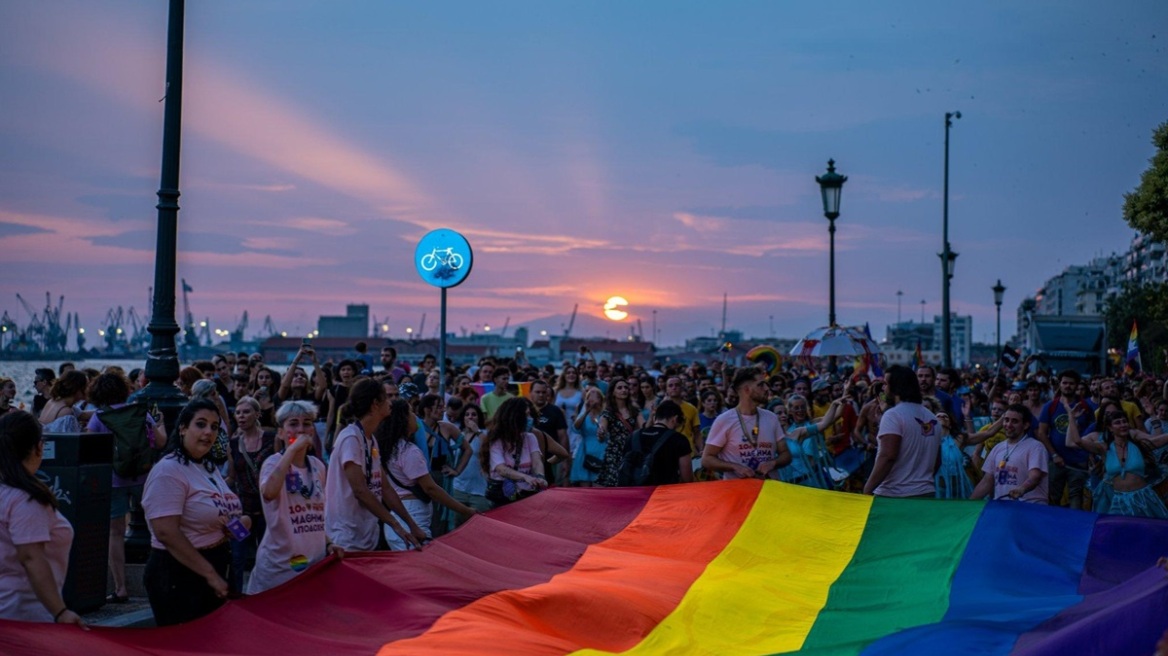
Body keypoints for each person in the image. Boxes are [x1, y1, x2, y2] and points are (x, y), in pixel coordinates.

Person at [142, 399, 248, 626]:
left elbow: (223, 515)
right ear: (182, 428)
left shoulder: (207, 467)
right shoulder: (169, 470)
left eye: (214, 427)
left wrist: (241, 526)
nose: (208, 432)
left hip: (217, 563)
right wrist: (209, 574)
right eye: (200, 424)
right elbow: (165, 532)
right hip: (179, 573)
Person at [85, 372, 166, 604]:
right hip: (144, 477)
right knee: (158, 528)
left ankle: (121, 587)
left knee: (115, 534)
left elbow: (92, 450)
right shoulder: (139, 413)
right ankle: (161, 579)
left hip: (114, 480)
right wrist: (159, 423)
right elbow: (160, 442)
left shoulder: (99, 417)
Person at [247, 401, 341, 594]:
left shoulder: (318, 466)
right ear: (281, 432)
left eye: (307, 423)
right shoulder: (272, 463)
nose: (301, 429)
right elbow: (269, 493)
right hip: (279, 569)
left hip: (313, 566)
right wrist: (291, 451)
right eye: (293, 424)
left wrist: (329, 542)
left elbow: (315, 513)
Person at [0, 412, 84, 626]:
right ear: (39, 447)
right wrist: (60, 612)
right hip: (25, 610)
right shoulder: (25, 499)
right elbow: (31, 557)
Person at [324, 379, 424, 552]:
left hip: (366, 535)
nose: (390, 402)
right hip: (346, 537)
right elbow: (360, 491)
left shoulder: (371, 439)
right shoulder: (351, 438)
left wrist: (411, 525)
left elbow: (385, 489)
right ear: (375, 404)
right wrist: (396, 525)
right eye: (386, 398)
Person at [376, 400, 475, 550]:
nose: (414, 416)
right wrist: (465, 510)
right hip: (413, 519)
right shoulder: (409, 451)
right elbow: (430, 489)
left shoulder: (388, 449)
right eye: (410, 412)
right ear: (402, 419)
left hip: (397, 518)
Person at [1066, 406, 1168, 518]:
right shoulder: (1104, 449)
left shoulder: (1140, 445)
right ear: (1110, 428)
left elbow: (1161, 439)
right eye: (1118, 423)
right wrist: (1071, 416)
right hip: (1119, 501)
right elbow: (1077, 441)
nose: (1123, 425)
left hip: (1144, 499)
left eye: (1125, 422)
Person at [863, 365, 942, 498]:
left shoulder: (893, 415)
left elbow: (888, 456)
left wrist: (867, 489)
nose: (883, 388)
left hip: (894, 496)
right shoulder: (931, 418)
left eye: (886, 384)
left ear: (896, 386)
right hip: (926, 494)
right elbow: (937, 460)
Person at [702, 368, 793, 480]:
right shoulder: (724, 420)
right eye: (761, 385)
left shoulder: (771, 418)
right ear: (747, 389)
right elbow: (707, 459)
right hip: (737, 492)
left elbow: (786, 455)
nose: (766, 388)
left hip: (768, 489)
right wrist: (735, 467)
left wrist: (773, 463)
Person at [225, 396, 275, 594]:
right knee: (236, 556)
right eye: (238, 412)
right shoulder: (233, 443)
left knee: (266, 555)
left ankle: (266, 595)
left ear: (257, 414)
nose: (241, 416)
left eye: (246, 412)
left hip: (266, 509)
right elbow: (231, 476)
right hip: (241, 509)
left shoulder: (272, 439)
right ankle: (235, 597)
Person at [1036, 369, 1095, 509]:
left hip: (1078, 464)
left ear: (1077, 385)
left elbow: (1093, 434)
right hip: (1056, 462)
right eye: (1065, 383)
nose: (1068, 386)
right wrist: (1054, 454)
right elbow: (1042, 433)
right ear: (1060, 384)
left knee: (1076, 501)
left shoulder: (1085, 407)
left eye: (1071, 383)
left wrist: (1090, 456)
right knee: (1053, 500)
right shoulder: (1050, 406)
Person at [970, 404, 1048, 503]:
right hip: (1005, 509)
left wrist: (1022, 489)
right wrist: (969, 504)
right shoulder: (998, 448)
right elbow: (987, 482)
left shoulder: (1036, 447)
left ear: (1026, 425)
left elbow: (1035, 476)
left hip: (1030, 507)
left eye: (1014, 421)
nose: (1009, 425)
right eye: (1006, 420)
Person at [482, 397, 549, 507]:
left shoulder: (530, 438)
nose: (530, 418)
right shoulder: (497, 441)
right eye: (526, 415)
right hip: (502, 499)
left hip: (526, 496)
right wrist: (525, 477)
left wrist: (540, 477)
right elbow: (501, 469)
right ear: (516, 418)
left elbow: (537, 462)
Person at [623, 400, 694, 485]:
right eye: (677, 427)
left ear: (655, 417)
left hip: (634, 493)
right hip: (663, 493)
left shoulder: (633, 436)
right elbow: (687, 478)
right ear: (675, 419)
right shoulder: (679, 439)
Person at [596, 378, 644, 487]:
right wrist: (601, 432)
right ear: (613, 392)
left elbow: (644, 427)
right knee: (614, 487)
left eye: (626, 387)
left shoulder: (634, 410)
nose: (624, 390)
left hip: (631, 453)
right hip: (614, 454)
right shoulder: (608, 412)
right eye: (620, 388)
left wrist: (652, 417)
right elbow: (601, 431)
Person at [449, 403, 491, 523]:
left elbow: (488, 447)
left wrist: (476, 430)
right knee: (457, 523)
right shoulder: (458, 434)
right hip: (458, 487)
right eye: (467, 415)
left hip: (480, 489)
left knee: (481, 523)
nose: (470, 417)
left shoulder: (484, 433)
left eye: (474, 414)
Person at [570, 386, 606, 486]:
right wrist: (586, 411)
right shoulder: (584, 415)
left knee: (598, 484)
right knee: (584, 486)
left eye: (595, 397)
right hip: (585, 451)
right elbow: (575, 428)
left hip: (601, 449)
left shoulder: (604, 415)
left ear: (600, 399)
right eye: (590, 397)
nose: (592, 399)